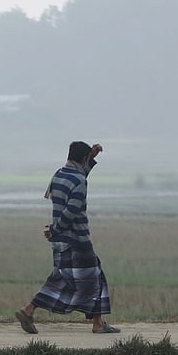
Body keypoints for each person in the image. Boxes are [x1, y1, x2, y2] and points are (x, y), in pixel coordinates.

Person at [15, 140, 120, 335]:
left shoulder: (59, 174)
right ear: (83, 158)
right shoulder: (79, 180)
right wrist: (55, 229)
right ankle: (98, 324)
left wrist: (91, 158)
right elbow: (72, 210)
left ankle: (28, 310)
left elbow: (77, 179)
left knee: (61, 278)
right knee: (96, 276)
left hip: (60, 242)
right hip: (77, 240)